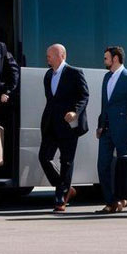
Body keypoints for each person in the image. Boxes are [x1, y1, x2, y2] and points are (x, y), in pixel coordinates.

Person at [39, 44, 89, 213]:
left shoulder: (75, 73)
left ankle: (61, 198)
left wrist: (75, 112)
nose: (47, 58)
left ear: (61, 55)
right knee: (44, 157)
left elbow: (84, 95)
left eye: (50, 55)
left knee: (66, 161)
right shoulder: (48, 75)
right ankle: (64, 186)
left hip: (68, 125)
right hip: (50, 124)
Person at [95, 46, 127, 214]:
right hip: (106, 130)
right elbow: (104, 105)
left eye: (106, 57)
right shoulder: (106, 77)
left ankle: (122, 198)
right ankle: (110, 201)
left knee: (123, 168)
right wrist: (100, 125)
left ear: (115, 58)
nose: (104, 60)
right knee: (102, 166)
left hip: (123, 129)